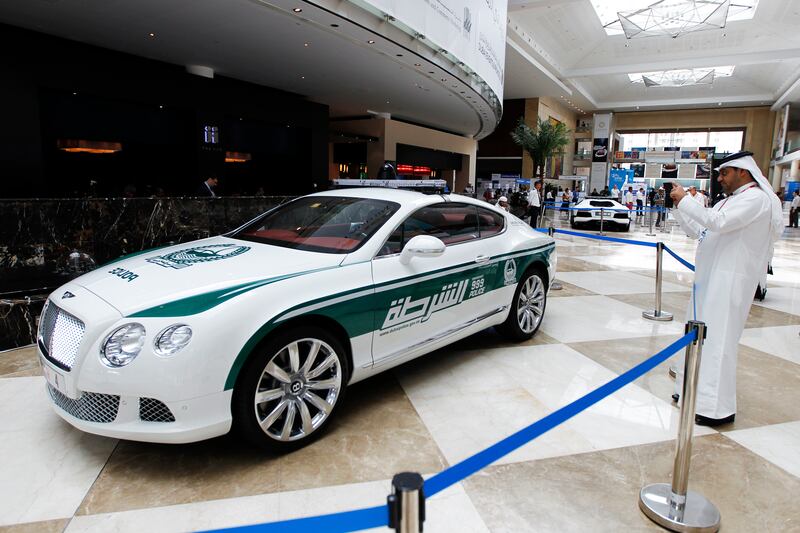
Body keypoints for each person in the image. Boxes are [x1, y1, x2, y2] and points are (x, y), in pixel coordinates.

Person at [670, 151, 783, 426]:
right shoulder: (732, 201)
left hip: (729, 281)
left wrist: (686, 200)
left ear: (743, 172)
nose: (720, 179)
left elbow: (718, 223)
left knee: (717, 341)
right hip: (710, 279)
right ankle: (690, 392)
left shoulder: (755, 200)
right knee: (698, 336)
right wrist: (678, 207)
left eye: (724, 173)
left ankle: (715, 408)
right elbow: (703, 230)